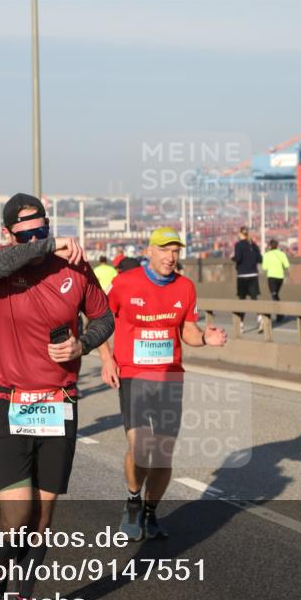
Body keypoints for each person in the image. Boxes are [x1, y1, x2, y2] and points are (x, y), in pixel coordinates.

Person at [0, 193, 113, 600]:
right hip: (7, 404)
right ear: (10, 232)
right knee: (17, 512)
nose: (35, 232)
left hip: (58, 404)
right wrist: (45, 247)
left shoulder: (76, 269)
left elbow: (104, 317)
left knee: (42, 519)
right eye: (25, 228)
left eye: (41, 224)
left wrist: (82, 345)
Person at [97, 227, 227, 540]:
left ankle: (150, 512)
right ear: (150, 251)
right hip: (134, 374)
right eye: (165, 250)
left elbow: (189, 331)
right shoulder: (125, 283)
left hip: (170, 376)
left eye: (175, 251)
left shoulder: (185, 287)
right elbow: (101, 321)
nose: (170, 257)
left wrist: (205, 339)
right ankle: (132, 501)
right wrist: (106, 359)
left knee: (163, 453)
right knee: (141, 445)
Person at [232, 227, 262, 330]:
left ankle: (241, 324)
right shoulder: (253, 245)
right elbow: (260, 259)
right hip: (253, 275)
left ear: (240, 234)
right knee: (254, 299)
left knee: (242, 300)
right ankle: (259, 317)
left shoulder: (238, 245)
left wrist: (233, 258)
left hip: (242, 276)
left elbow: (238, 258)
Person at [261, 239, 291, 324]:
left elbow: (264, 268)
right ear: (277, 246)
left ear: (270, 246)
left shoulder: (267, 255)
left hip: (271, 277)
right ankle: (279, 314)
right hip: (280, 277)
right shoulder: (282, 254)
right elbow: (287, 265)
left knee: (274, 295)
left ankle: (280, 313)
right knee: (275, 294)